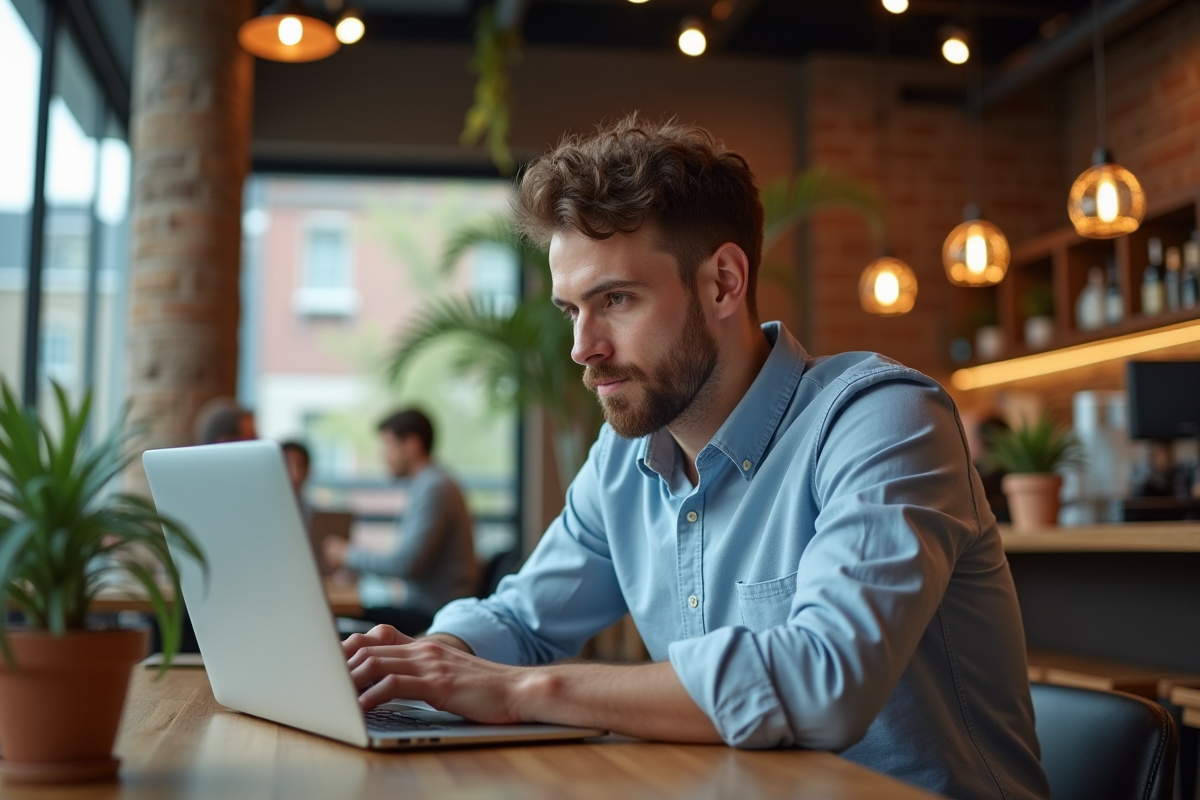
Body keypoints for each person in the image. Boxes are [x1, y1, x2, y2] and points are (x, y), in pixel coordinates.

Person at [340, 116, 1049, 799]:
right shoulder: (624, 460)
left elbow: (827, 679)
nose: (583, 347)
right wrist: (416, 666)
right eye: (571, 310)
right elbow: (525, 622)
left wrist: (525, 690)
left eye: (614, 299)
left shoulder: (882, 420)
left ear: (723, 283)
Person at [324, 409, 478, 635]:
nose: (383, 456)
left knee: (330, 624)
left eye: (388, 445)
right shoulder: (430, 483)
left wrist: (347, 554)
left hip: (432, 617)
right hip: (429, 610)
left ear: (411, 444)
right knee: (338, 618)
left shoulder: (434, 488)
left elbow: (406, 564)